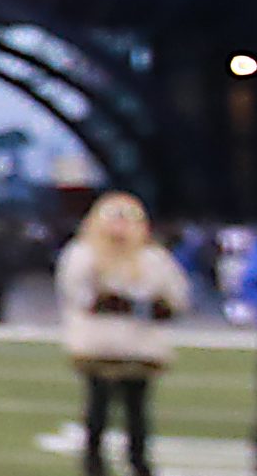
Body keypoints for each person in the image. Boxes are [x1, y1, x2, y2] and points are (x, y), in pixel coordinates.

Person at [56, 193, 186, 476]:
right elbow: (78, 294)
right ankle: (93, 463)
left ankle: (138, 462)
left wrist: (152, 306)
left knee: (137, 410)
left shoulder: (152, 257)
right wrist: (110, 302)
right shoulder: (84, 254)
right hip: (99, 344)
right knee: (97, 408)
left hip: (139, 344)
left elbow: (175, 296)